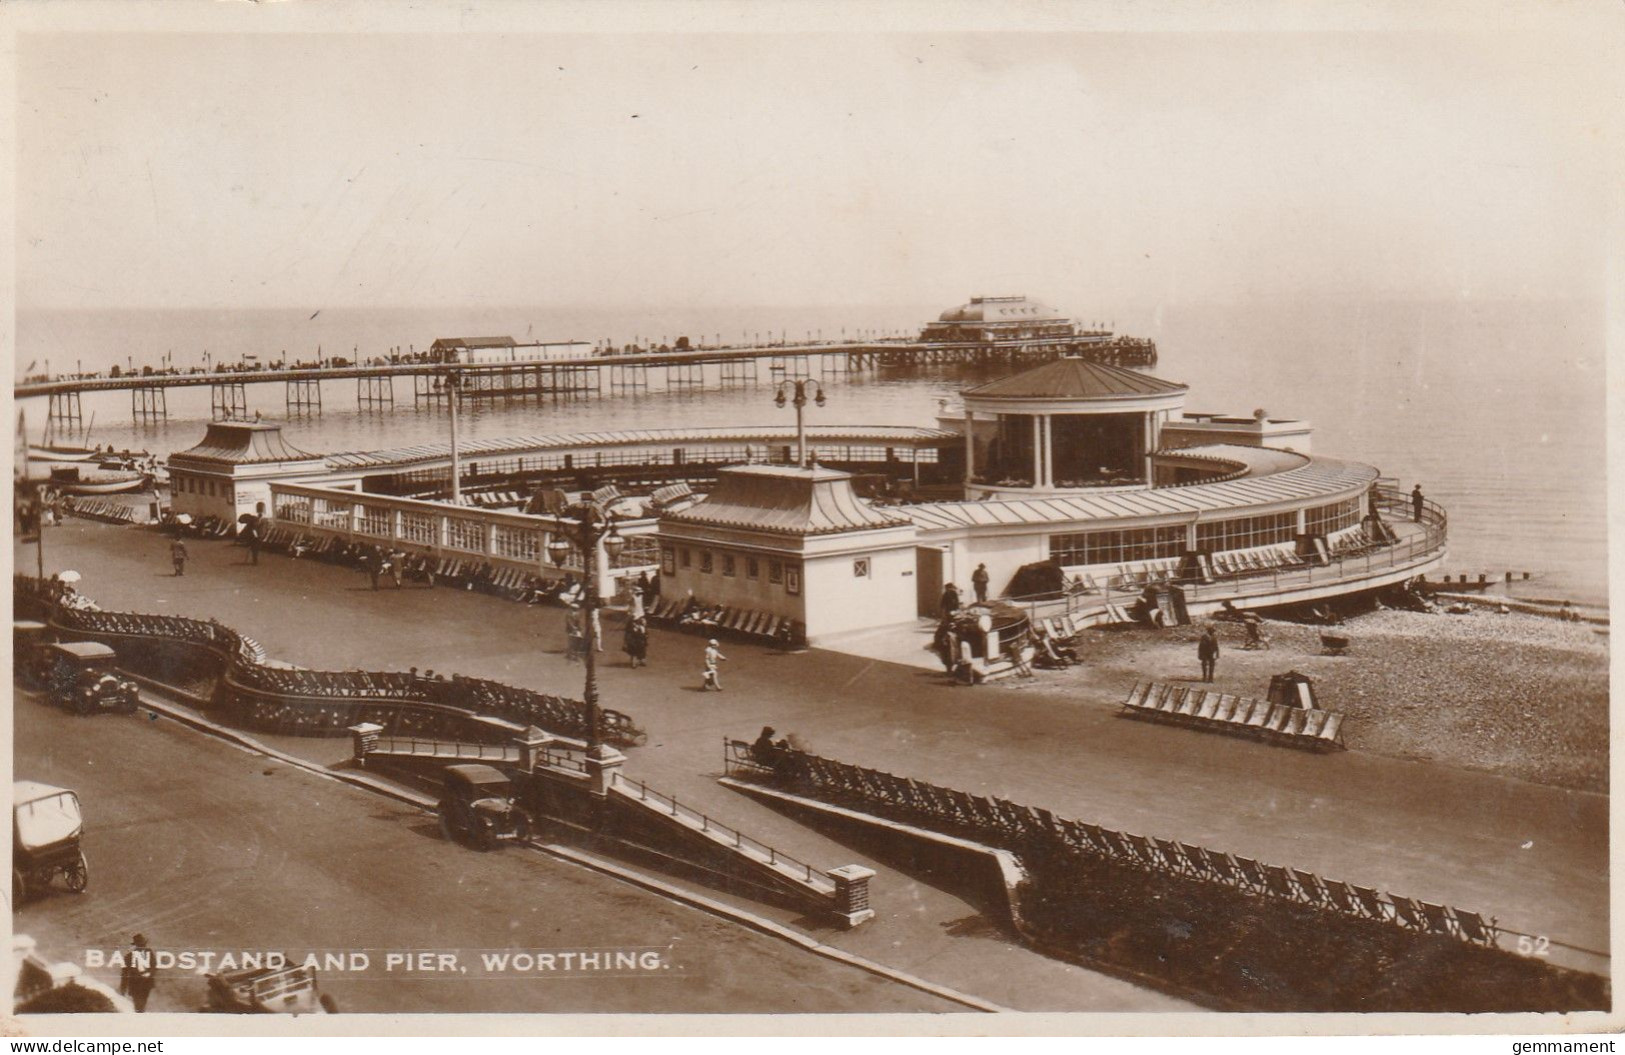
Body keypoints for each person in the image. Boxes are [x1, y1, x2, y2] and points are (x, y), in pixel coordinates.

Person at [118, 933, 156, 1013]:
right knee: (139, 1004)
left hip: (144, 983)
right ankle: (139, 1015)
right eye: (141, 945)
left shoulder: (148, 953)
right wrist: (123, 988)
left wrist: (123, 988)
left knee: (140, 1003)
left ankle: (139, 1015)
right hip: (138, 984)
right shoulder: (129, 956)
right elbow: (124, 973)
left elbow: (154, 966)